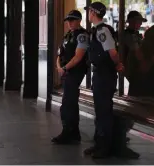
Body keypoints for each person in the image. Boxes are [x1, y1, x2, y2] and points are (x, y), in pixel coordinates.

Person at [83, 2, 123, 158]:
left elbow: (112, 52)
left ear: (93, 12)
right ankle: (99, 143)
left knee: (104, 111)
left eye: (89, 11)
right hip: (99, 74)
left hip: (105, 75)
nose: (88, 14)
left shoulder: (103, 30)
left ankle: (105, 147)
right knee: (99, 111)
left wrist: (118, 64)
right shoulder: (96, 30)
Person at [51, 10, 89, 144]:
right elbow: (59, 53)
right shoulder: (67, 35)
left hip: (75, 72)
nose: (69, 23)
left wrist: (65, 68)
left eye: (72, 20)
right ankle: (73, 132)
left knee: (68, 103)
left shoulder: (82, 35)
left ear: (79, 20)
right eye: (68, 20)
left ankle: (68, 132)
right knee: (70, 102)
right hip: (66, 72)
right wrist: (59, 67)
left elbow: (78, 57)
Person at [122, 11, 147, 96]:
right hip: (132, 67)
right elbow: (137, 51)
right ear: (131, 21)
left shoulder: (134, 34)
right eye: (138, 21)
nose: (140, 24)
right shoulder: (128, 35)